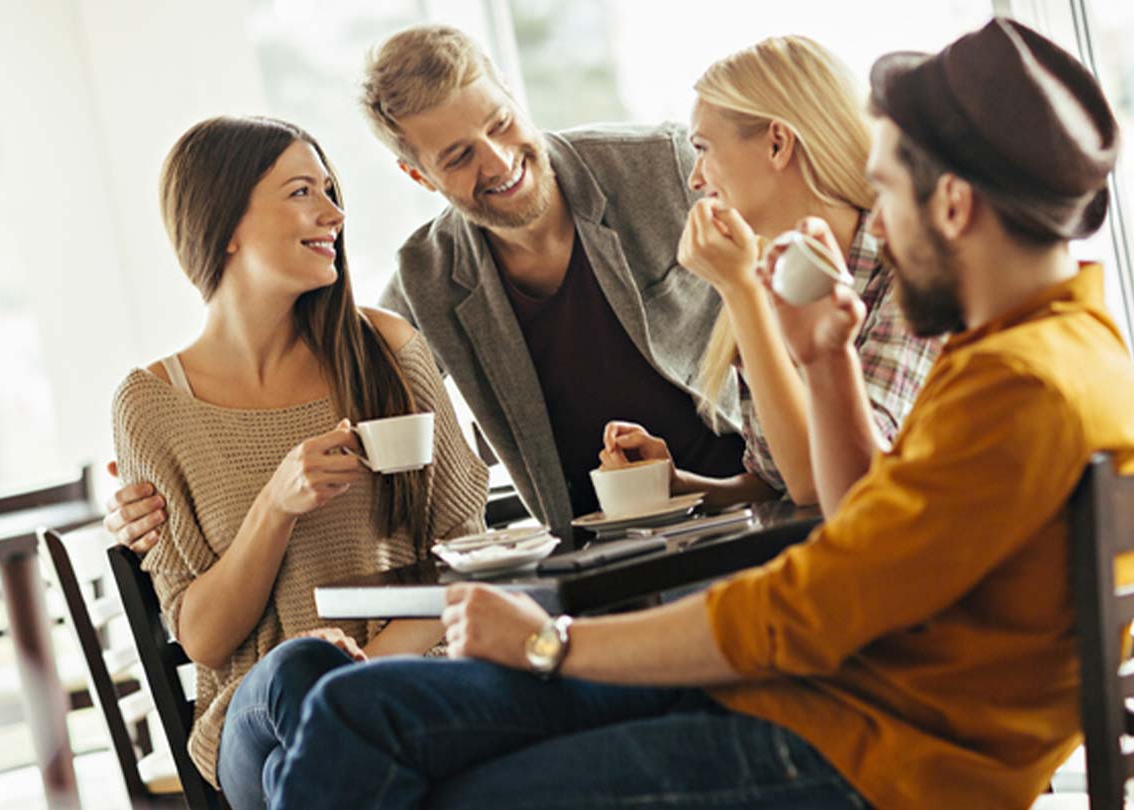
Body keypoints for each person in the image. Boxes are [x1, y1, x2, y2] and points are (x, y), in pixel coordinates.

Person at [270, 18, 1133, 809]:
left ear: (950, 205)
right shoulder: (1053, 352)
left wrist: (551, 644)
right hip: (817, 697)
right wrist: (823, 356)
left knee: (435, 775)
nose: (877, 226)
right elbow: (867, 524)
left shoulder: (1020, 390)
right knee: (357, 704)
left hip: (866, 749)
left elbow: (808, 606)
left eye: (885, 191)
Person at [106, 24, 745, 542]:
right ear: (420, 178)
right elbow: (339, 396)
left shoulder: (663, 167)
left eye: (498, 124)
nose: (498, 162)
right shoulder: (425, 281)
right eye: (458, 156)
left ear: (513, 97)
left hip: (756, 501)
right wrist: (158, 490)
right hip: (601, 562)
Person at [111, 115, 488, 809]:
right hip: (259, 717)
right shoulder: (154, 405)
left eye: (330, 189)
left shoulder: (388, 350)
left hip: (412, 681)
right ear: (223, 224)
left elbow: (464, 553)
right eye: (301, 192)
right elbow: (203, 640)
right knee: (301, 670)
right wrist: (275, 505)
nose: (334, 213)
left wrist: (360, 685)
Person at [600, 36, 940, 508]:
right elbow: (774, 480)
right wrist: (677, 484)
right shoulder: (775, 272)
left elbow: (824, 488)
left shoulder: (908, 278)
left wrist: (739, 290)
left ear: (778, 144)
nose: (695, 179)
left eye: (703, 147)